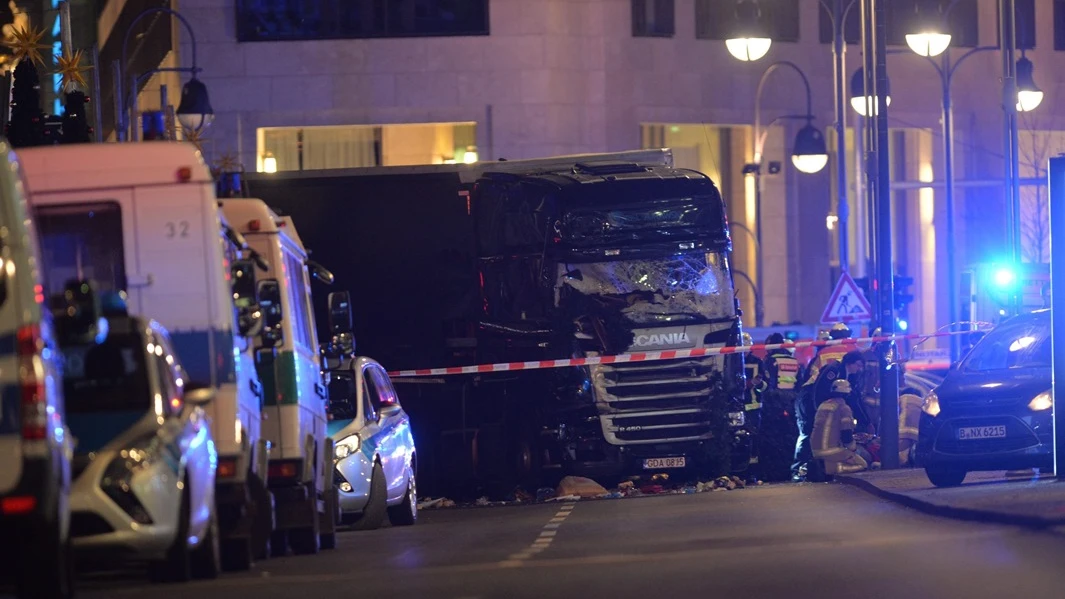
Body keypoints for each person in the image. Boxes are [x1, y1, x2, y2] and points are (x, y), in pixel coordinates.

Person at [792, 350, 866, 481]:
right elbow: (818, 392)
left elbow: (853, 398)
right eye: (858, 365)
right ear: (850, 362)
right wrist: (819, 413)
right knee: (807, 433)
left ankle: (816, 467)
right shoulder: (834, 370)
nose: (859, 369)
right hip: (808, 401)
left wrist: (865, 420)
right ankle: (798, 470)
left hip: (821, 404)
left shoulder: (848, 375)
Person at [759, 333, 801, 482]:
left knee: (772, 438)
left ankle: (773, 473)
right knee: (791, 437)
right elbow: (799, 383)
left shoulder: (769, 361)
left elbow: (766, 383)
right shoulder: (794, 360)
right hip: (792, 402)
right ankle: (790, 470)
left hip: (773, 402)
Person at [809, 379, 869, 480]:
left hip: (814, 448)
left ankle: (827, 465)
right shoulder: (844, 408)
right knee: (862, 464)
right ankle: (831, 469)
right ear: (848, 394)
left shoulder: (823, 405)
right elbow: (846, 436)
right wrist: (853, 449)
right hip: (830, 450)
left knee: (843, 456)